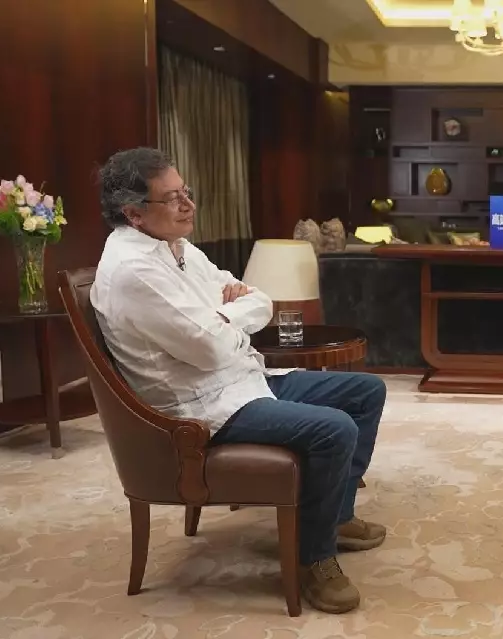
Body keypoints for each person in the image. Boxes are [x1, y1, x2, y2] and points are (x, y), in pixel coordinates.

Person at [90, 147, 386, 614]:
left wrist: (225, 313)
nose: (188, 204)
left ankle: (335, 516)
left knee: (366, 391)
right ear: (133, 213)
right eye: (172, 198)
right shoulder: (133, 270)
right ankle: (312, 557)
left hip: (242, 378)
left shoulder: (176, 246)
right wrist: (229, 312)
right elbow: (209, 347)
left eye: (186, 191)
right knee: (335, 429)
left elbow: (260, 300)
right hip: (201, 407)